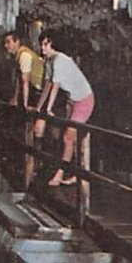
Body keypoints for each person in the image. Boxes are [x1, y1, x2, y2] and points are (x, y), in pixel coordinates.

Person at [35, 29, 95, 187]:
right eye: (41, 44)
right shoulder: (49, 61)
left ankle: (60, 174)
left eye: (46, 44)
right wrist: (39, 107)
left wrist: (48, 109)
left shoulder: (60, 60)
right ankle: (76, 174)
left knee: (68, 138)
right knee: (70, 139)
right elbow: (47, 86)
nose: (42, 48)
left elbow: (56, 86)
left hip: (84, 100)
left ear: (53, 44)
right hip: (72, 101)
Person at [2, 31, 45, 109]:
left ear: (17, 42)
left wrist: (25, 105)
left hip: (43, 90)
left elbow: (25, 81)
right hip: (38, 90)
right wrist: (15, 99)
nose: (5, 45)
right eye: (5, 43)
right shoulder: (18, 56)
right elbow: (19, 79)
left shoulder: (24, 55)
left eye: (8, 42)